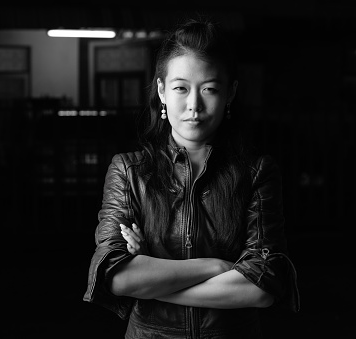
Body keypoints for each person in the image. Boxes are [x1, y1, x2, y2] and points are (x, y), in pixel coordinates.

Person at [83, 17, 300, 338]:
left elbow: (262, 287)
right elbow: (116, 278)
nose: (194, 105)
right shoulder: (129, 172)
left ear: (230, 93)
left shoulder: (256, 172)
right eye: (181, 88)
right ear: (162, 91)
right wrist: (215, 266)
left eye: (210, 88)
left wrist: (152, 278)